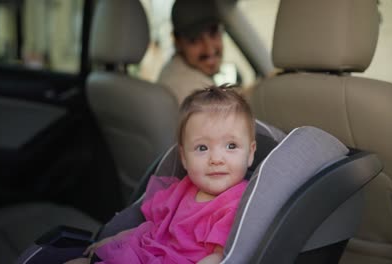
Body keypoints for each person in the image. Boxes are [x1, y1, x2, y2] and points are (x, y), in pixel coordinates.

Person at [66, 85, 256, 264]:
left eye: (231, 146)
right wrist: (115, 240)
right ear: (183, 157)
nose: (216, 159)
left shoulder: (237, 205)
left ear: (250, 153)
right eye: (202, 147)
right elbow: (154, 227)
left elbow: (219, 257)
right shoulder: (181, 189)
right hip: (146, 253)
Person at [158, 0, 224, 105]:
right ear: (177, 42)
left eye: (213, 33)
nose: (209, 49)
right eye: (194, 39)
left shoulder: (173, 70)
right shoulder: (195, 92)